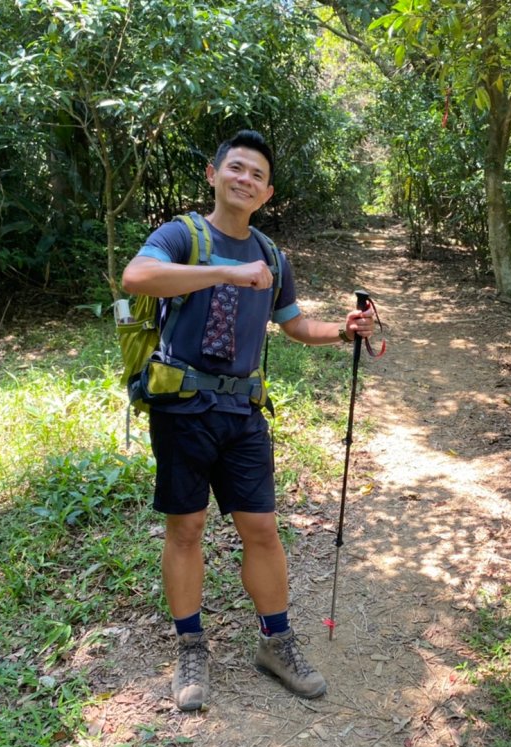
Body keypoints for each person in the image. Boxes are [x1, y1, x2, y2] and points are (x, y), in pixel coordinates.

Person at [121, 129, 374, 712]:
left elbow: (295, 324)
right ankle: (191, 649)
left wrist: (343, 330)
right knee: (186, 530)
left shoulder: (272, 254)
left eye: (256, 175)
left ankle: (276, 641)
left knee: (260, 528)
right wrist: (228, 273)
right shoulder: (182, 235)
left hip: (243, 411)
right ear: (214, 175)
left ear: (267, 192)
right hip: (183, 409)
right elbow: (137, 277)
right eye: (235, 168)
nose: (245, 180)